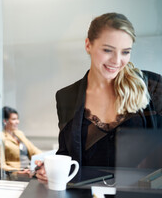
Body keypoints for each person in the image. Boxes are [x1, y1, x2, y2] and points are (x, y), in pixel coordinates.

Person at [35, 12, 162, 183]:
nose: (117, 61)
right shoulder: (66, 97)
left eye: (125, 52)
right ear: (88, 45)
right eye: (108, 50)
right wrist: (49, 169)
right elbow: (67, 154)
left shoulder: (152, 86)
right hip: (89, 194)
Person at [0, 106, 42, 176]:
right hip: (16, 173)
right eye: (14, 119)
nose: (17, 122)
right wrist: (19, 172)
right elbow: (1, 165)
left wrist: (46, 157)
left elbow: (33, 150)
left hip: (29, 169)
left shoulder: (19, 133)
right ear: (5, 121)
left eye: (17, 119)